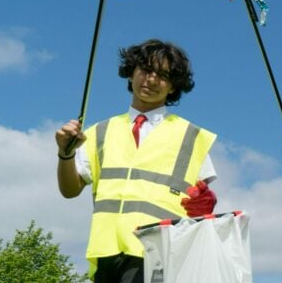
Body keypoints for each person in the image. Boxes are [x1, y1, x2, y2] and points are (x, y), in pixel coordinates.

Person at [55, 39, 219, 282]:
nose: (151, 80)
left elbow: (203, 200)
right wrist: (65, 154)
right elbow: (70, 190)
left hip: (160, 251)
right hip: (106, 252)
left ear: (174, 87)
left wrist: (207, 203)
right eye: (146, 70)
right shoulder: (99, 131)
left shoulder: (191, 136)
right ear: (131, 73)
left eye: (163, 75)